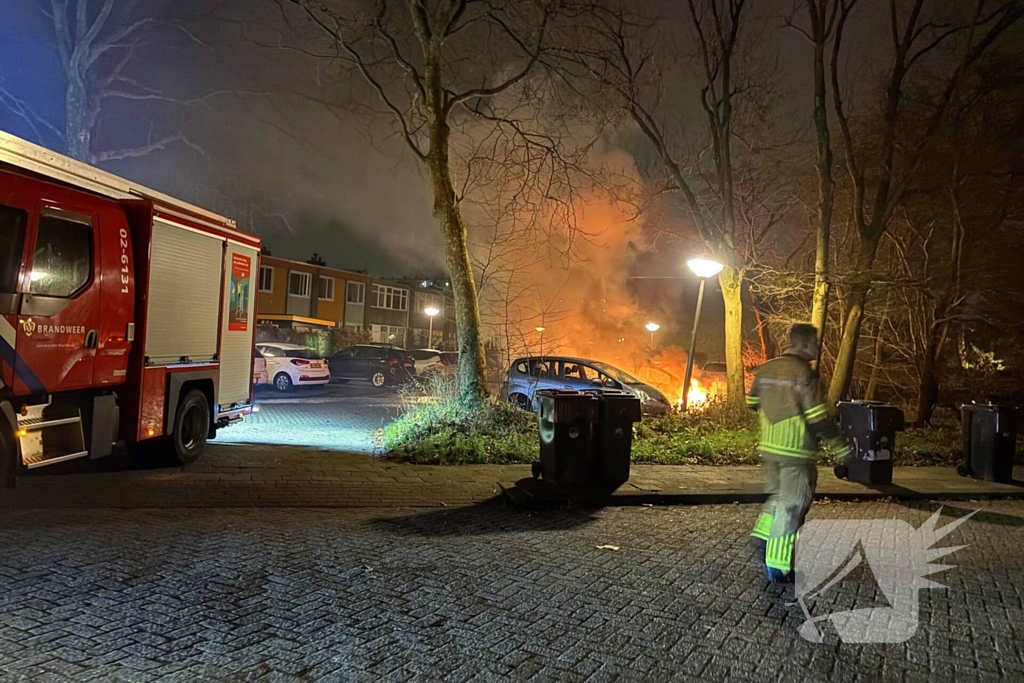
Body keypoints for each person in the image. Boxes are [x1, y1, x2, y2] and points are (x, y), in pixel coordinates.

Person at [746, 324, 850, 583]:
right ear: (804, 343)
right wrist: (841, 446)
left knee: (779, 498)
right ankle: (778, 565)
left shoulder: (766, 368)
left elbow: (752, 403)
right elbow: (816, 418)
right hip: (796, 451)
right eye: (815, 342)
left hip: (769, 448)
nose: (818, 347)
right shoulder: (806, 373)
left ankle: (762, 535)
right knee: (792, 507)